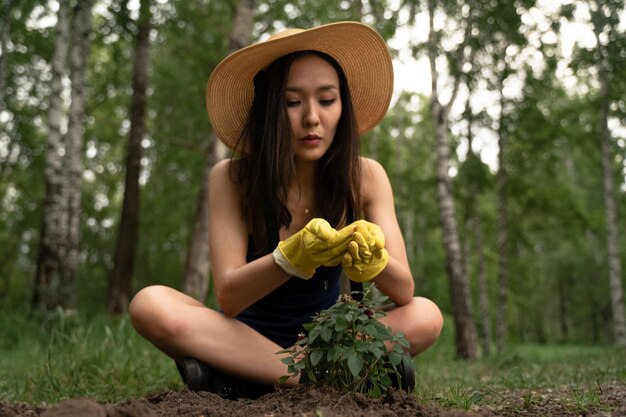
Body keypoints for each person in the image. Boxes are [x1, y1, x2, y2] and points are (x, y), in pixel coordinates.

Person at [129, 21, 443, 399]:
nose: (312, 117)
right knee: (149, 304)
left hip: (327, 339)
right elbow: (229, 296)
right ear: (269, 110)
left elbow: (405, 291)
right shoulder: (231, 178)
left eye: (327, 100)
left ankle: (242, 378)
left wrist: (372, 259)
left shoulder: (367, 177)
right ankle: (312, 376)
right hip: (244, 337)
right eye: (292, 102)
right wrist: (292, 256)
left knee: (427, 315)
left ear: (343, 105)